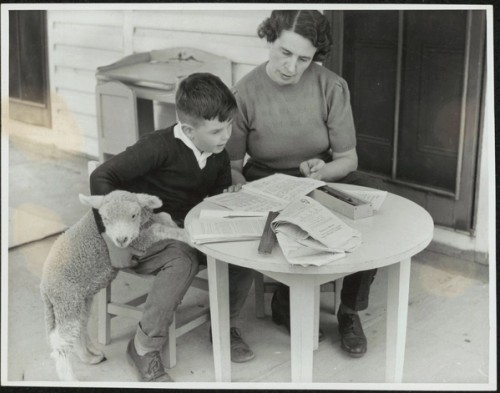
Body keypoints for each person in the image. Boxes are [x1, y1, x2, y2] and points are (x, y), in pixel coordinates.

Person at [226, 10, 383, 358]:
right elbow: (234, 167)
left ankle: (349, 311)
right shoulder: (243, 94)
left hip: (319, 175)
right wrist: (243, 191)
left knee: (370, 206)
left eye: (304, 59)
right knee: (242, 222)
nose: (291, 67)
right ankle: (228, 322)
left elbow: (348, 159)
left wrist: (321, 171)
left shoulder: (330, 85)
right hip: (264, 179)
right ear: (270, 40)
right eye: (285, 53)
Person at [90, 73, 255, 383]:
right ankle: (143, 347)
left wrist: (227, 197)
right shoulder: (157, 146)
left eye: (229, 126)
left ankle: (223, 327)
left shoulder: (217, 154)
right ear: (190, 130)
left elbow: (215, 195)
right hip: (142, 236)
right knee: (183, 260)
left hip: (186, 231)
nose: (226, 136)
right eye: (218, 130)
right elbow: (101, 177)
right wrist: (112, 238)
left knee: (242, 253)